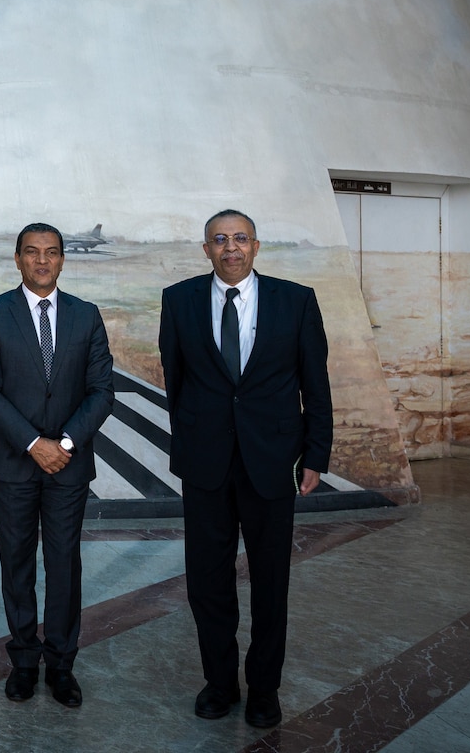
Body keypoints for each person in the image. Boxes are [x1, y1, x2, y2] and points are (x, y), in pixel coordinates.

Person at [158, 209, 333, 729]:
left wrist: (316, 455)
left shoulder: (296, 300)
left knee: (270, 581)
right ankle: (218, 682)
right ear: (205, 249)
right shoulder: (180, 299)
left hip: (272, 462)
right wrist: (191, 440)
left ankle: (264, 689)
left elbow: (314, 383)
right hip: (206, 464)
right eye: (219, 240)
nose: (230, 248)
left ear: (256, 246)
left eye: (239, 239)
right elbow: (176, 379)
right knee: (206, 582)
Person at [0, 223, 115, 708]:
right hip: (13, 463)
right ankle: (24, 663)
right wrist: (35, 443)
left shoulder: (86, 316)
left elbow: (101, 391)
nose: (42, 261)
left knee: (64, 564)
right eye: (32, 253)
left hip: (68, 466)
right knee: (16, 565)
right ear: (17, 259)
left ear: (61, 260)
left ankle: (62, 665)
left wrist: (65, 442)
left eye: (51, 253)